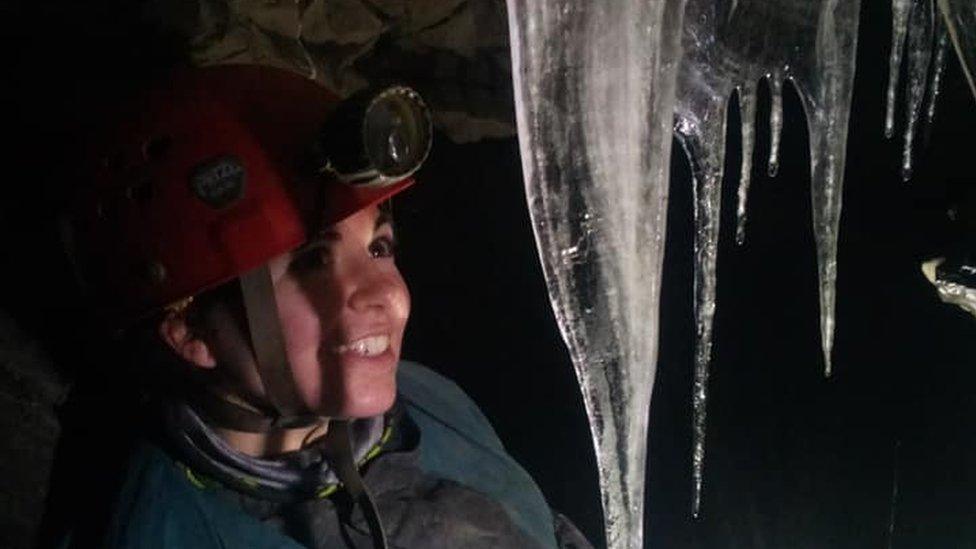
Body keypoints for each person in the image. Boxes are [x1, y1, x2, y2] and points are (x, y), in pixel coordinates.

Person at [56, 64, 592, 549]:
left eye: (379, 248)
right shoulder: (166, 532)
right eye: (313, 260)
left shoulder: (431, 400)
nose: (387, 293)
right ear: (191, 329)